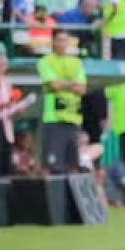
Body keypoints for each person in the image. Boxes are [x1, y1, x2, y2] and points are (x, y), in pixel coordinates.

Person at [37, 30, 87, 174]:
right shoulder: (45, 61)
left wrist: (63, 84)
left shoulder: (76, 62)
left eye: (65, 40)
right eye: (59, 40)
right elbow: (53, 85)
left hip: (73, 117)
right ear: (52, 42)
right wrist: (71, 84)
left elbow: (82, 89)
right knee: (49, 163)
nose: (62, 44)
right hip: (54, 118)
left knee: (73, 163)